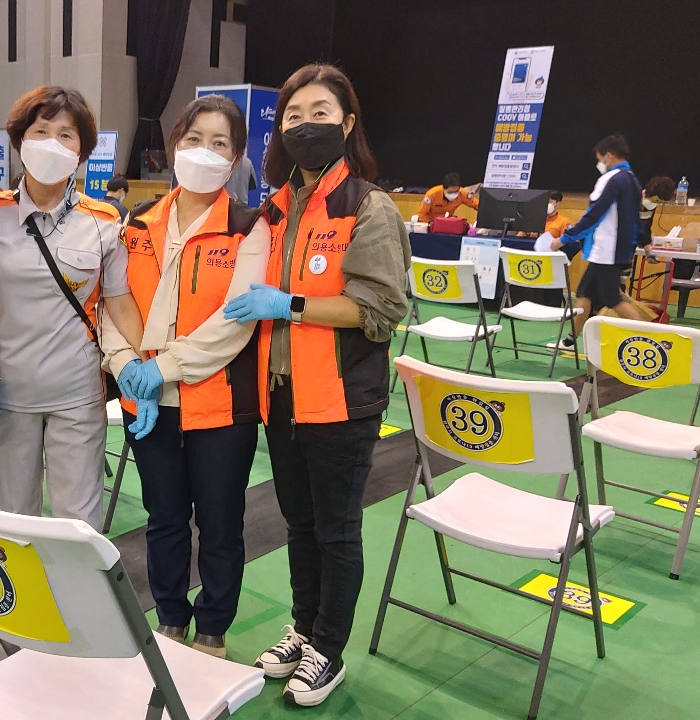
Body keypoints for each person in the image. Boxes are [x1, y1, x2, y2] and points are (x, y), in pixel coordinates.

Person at [222, 63, 410, 707]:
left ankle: (328, 648)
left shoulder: (367, 207)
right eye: (293, 116)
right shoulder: (275, 207)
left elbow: (381, 309)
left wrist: (291, 306)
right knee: (299, 523)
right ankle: (304, 629)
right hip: (280, 395)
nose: (306, 126)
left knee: (336, 529)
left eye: (320, 113)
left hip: (340, 398)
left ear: (348, 123)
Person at [100, 94, 269, 659]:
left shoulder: (248, 227)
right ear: (174, 145)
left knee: (220, 523)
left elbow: (234, 324)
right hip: (146, 403)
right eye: (194, 139)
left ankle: (213, 626)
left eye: (219, 143)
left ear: (237, 158)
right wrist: (126, 366)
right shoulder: (138, 222)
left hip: (219, 405)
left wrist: (164, 367)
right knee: (164, 518)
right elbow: (113, 302)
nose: (204, 151)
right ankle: (171, 616)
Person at [0, 85, 145, 531]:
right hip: (8, 395)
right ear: (20, 139)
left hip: (77, 394)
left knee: (79, 525)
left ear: (82, 150)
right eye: (41, 131)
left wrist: (148, 367)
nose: (52, 143)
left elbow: (119, 301)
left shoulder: (104, 221)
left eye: (66, 135)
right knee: (16, 521)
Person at [550, 134, 645, 351]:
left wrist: (564, 239)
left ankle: (652, 339)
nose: (599, 163)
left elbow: (593, 215)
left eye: (599, 158)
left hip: (607, 250)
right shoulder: (632, 180)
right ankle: (570, 341)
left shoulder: (611, 179)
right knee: (584, 293)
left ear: (608, 155)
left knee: (612, 298)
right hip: (615, 250)